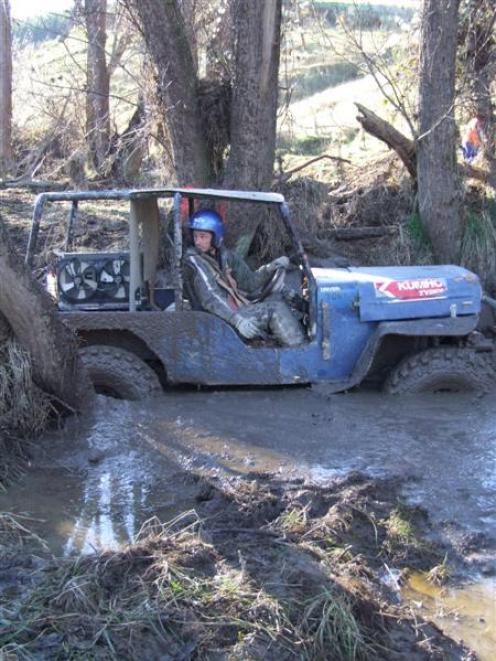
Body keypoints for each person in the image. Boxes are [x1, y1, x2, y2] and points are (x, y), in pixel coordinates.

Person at [183, 209, 305, 347]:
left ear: (215, 236)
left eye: (203, 236)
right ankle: (300, 354)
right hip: (218, 318)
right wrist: (238, 321)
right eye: (195, 237)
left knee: (279, 297)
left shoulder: (225, 257)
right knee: (275, 310)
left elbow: (249, 283)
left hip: (231, 310)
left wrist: (271, 267)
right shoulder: (194, 260)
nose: (198, 241)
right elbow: (211, 298)